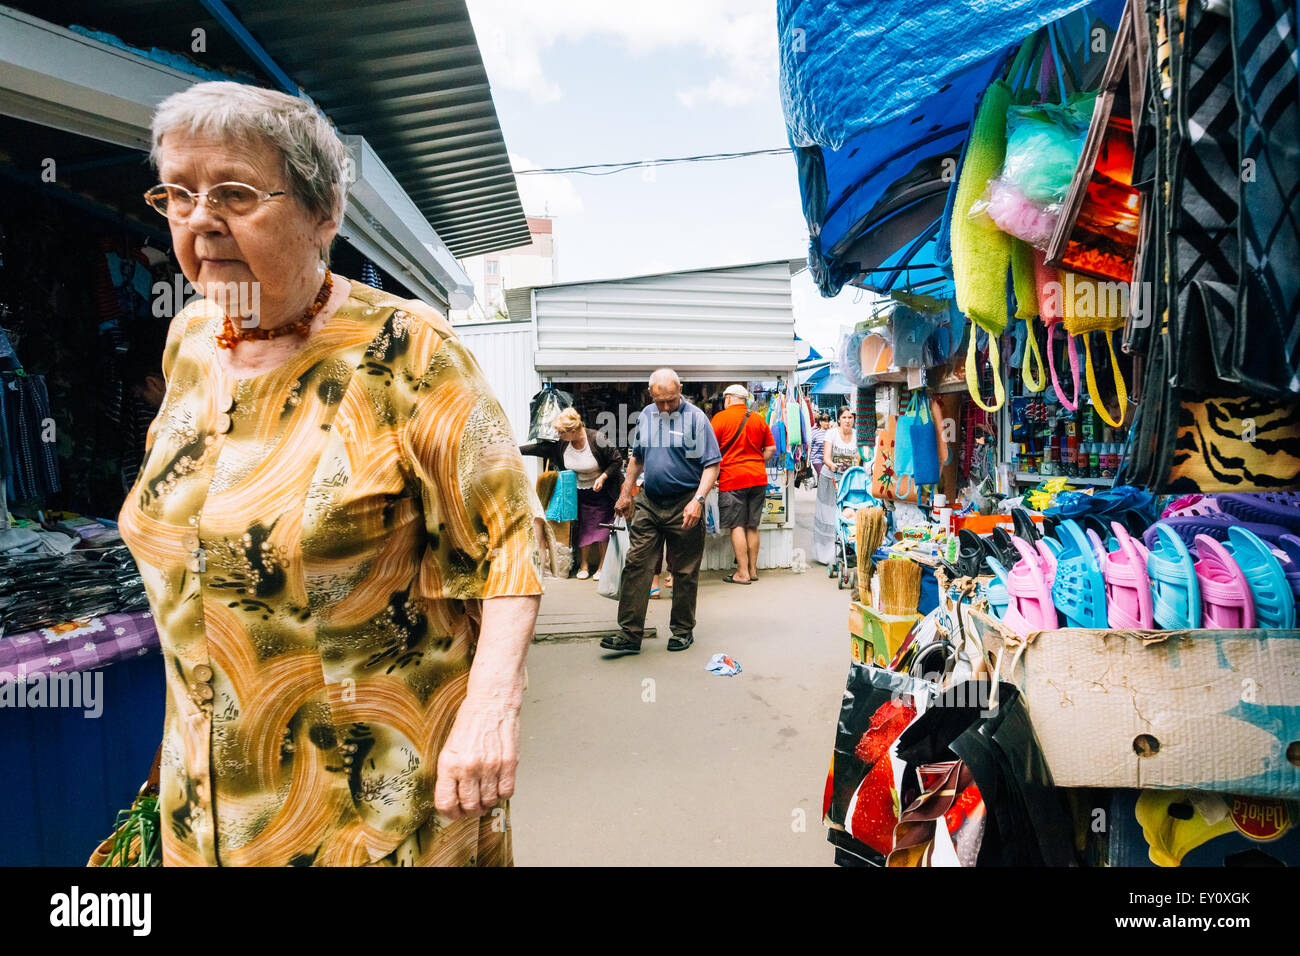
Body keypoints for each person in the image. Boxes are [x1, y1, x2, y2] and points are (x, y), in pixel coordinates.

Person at [117, 81, 543, 867]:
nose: (201, 219)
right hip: (206, 802)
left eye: (235, 193)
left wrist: (492, 707)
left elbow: (508, 546)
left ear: (324, 215)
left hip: (374, 802)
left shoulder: (411, 351)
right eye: (177, 194)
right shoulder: (188, 342)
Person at [600, 368, 720, 654]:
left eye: (671, 400)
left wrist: (698, 501)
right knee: (637, 564)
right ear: (650, 394)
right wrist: (626, 491)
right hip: (650, 502)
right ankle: (629, 634)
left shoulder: (696, 419)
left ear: (680, 389)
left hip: (685, 502)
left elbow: (711, 465)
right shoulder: (646, 415)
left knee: (684, 571)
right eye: (660, 401)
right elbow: (637, 458)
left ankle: (681, 630)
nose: (665, 407)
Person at [519, 406, 624, 579]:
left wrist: (603, 477)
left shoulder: (597, 438)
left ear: (574, 430)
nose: (559, 436)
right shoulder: (563, 443)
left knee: (603, 529)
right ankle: (583, 566)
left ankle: (601, 567)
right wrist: (516, 450)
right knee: (583, 527)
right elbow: (540, 448)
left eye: (561, 432)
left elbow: (616, 461)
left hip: (603, 491)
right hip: (578, 492)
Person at [711, 384, 775, 585]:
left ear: (729, 398)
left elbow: (710, 451)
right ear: (745, 400)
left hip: (732, 479)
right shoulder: (758, 419)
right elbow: (771, 448)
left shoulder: (720, 418)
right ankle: (753, 571)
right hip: (757, 478)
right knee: (752, 525)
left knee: (737, 525)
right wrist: (757, 462)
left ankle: (742, 572)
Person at [812, 407, 859, 565]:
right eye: (844, 417)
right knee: (828, 514)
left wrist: (854, 469)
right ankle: (826, 554)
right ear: (839, 419)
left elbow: (858, 459)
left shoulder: (857, 435)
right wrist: (833, 466)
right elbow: (826, 457)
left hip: (849, 479)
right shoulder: (831, 433)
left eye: (850, 417)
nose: (847, 420)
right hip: (830, 477)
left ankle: (847, 550)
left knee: (847, 513)